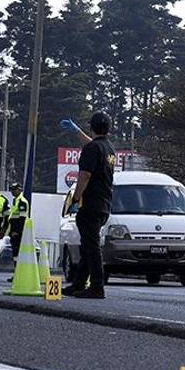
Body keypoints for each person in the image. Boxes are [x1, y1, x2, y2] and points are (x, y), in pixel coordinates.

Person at [65, 111, 116, 299]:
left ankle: (97, 286)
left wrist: (75, 199)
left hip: (90, 204)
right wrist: (77, 132)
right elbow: (94, 145)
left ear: (91, 127)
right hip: (104, 203)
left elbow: (84, 175)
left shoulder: (92, 149)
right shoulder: (109, 149)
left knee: (91, 246)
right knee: (87, 244)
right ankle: (78, 284)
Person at [5, 182, 31, 265]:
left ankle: (18, 273)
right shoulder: (15, 200)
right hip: (13, 229)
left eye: (14, 190)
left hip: (18, 231)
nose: (12, 191)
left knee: (17, 251)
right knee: (15, 252)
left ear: (19, 190)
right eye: (12, 190)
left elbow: (22, 219)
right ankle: (16, 273)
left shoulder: (22, 201)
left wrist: (17, 231)